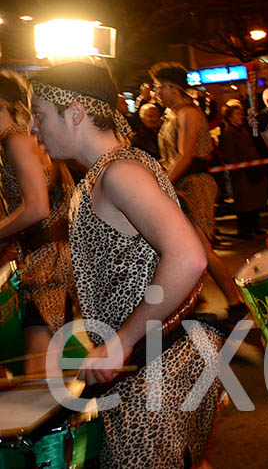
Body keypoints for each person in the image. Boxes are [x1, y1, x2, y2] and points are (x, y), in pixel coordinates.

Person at [29, 62, 223, 467]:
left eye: (39, 115)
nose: (33, 128)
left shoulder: (120, 172)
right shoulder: (107, 170)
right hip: (165, 358)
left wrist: (121, 341)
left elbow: (188, 257)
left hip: (157, 367)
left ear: (76, 113)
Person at [149, 62, 244, 317]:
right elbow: (171, 157)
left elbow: (185, 156)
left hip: (195, 185)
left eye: (158, 88)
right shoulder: (173, 113)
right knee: (181, 247)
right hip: (179, 184)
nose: (154, 93)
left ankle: (236, 303)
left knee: (202, 248)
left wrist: (161, 185)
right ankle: (192, 301)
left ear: (173, 88)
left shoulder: (188, 113)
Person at [0, 71, 74, 375]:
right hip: (44, 260)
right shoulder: (16, 138)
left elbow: (37, 208)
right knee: (42, 364)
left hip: (48, 263)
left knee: (39, 369)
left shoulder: (15, 139)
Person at [217, 101, 268, 239]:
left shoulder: (243, 130)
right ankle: (244, 229)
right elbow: (229, 155)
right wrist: (238, 167)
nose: (241, 117)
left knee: (255, 201)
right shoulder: (228, 133)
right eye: (237, 114)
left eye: (241, 114)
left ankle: (255, 227)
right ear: (230, 116)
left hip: (252, 171)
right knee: (245, 204)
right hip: (241, 174)